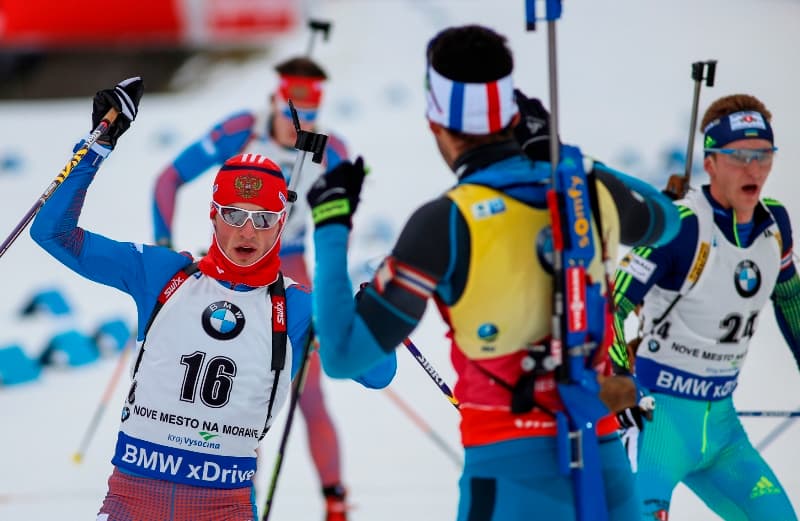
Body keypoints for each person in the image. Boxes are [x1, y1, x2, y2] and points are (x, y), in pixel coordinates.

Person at [304, 25, 681, 520]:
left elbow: (344, 355)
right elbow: (665, 220)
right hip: (605, 467)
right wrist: (567, 158)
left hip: (507, 477)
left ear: (435, 122)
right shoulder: (586, 189)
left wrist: (331, 229)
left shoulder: (444, 222)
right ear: (512, 112)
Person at [30, 77, 396, 521]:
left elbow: (378, 373)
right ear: (213, 216)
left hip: (223, 507)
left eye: (263, 219)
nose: (247, 232)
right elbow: (52, 232)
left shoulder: (297, 309)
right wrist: (97, 145)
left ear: (282, 225)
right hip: (131, 501)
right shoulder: (162, 274)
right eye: (234, 215)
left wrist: (377, 311)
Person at [151, 56, 353, 519]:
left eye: (306, 117)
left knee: (311, 394)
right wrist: (162, 247)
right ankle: (235, 505)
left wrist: (333, 292)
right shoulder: (242, 128)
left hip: (293, 266)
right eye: (288, 114)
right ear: (274, 103)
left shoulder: (331, 149)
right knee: (240, 400)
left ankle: (336, 503)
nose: (294, 125)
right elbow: (168, 179)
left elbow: (341, 228)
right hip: (226, 269)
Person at [610, 94, 800, 520]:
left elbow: (791, 300)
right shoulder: (679, 227)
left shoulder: (775, 226)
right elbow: (610, 305)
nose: (754, 169)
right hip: (658, 425)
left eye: (763, 155)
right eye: (739, 157)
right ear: (711, 162)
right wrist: (620, 382)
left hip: (723, 434)